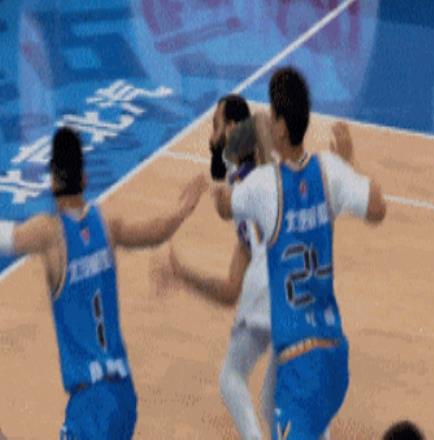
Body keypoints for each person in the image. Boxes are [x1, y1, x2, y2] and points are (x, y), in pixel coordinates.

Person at [213, 66, 386, 439]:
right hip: (334, 354)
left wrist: (227, 163)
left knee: (279, 404)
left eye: (271, 115)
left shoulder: (264, 186)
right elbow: (377, 208)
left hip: (299, 362)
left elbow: (225, 206)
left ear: (279, 126)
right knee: (273, 404)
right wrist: (350, 165)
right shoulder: (329, 171)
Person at [0, 127, 207, 440]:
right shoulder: (106, 224)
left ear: (52, 181)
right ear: (84, 179)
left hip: (91, 405)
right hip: (123, 396)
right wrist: (183, 210)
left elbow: (7, 237)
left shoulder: (49, 233)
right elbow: (157, 231)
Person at [170, 98, 277, 439]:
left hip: (270, 291)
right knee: (272, 403)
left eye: (216, 125)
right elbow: (230, 290)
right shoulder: (246, 207)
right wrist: (184, 275)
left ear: (232, 128)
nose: (211, 135)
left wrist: (237, 136)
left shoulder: (259, 175)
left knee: (232, 379)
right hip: (296, 294)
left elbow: (261, 122)